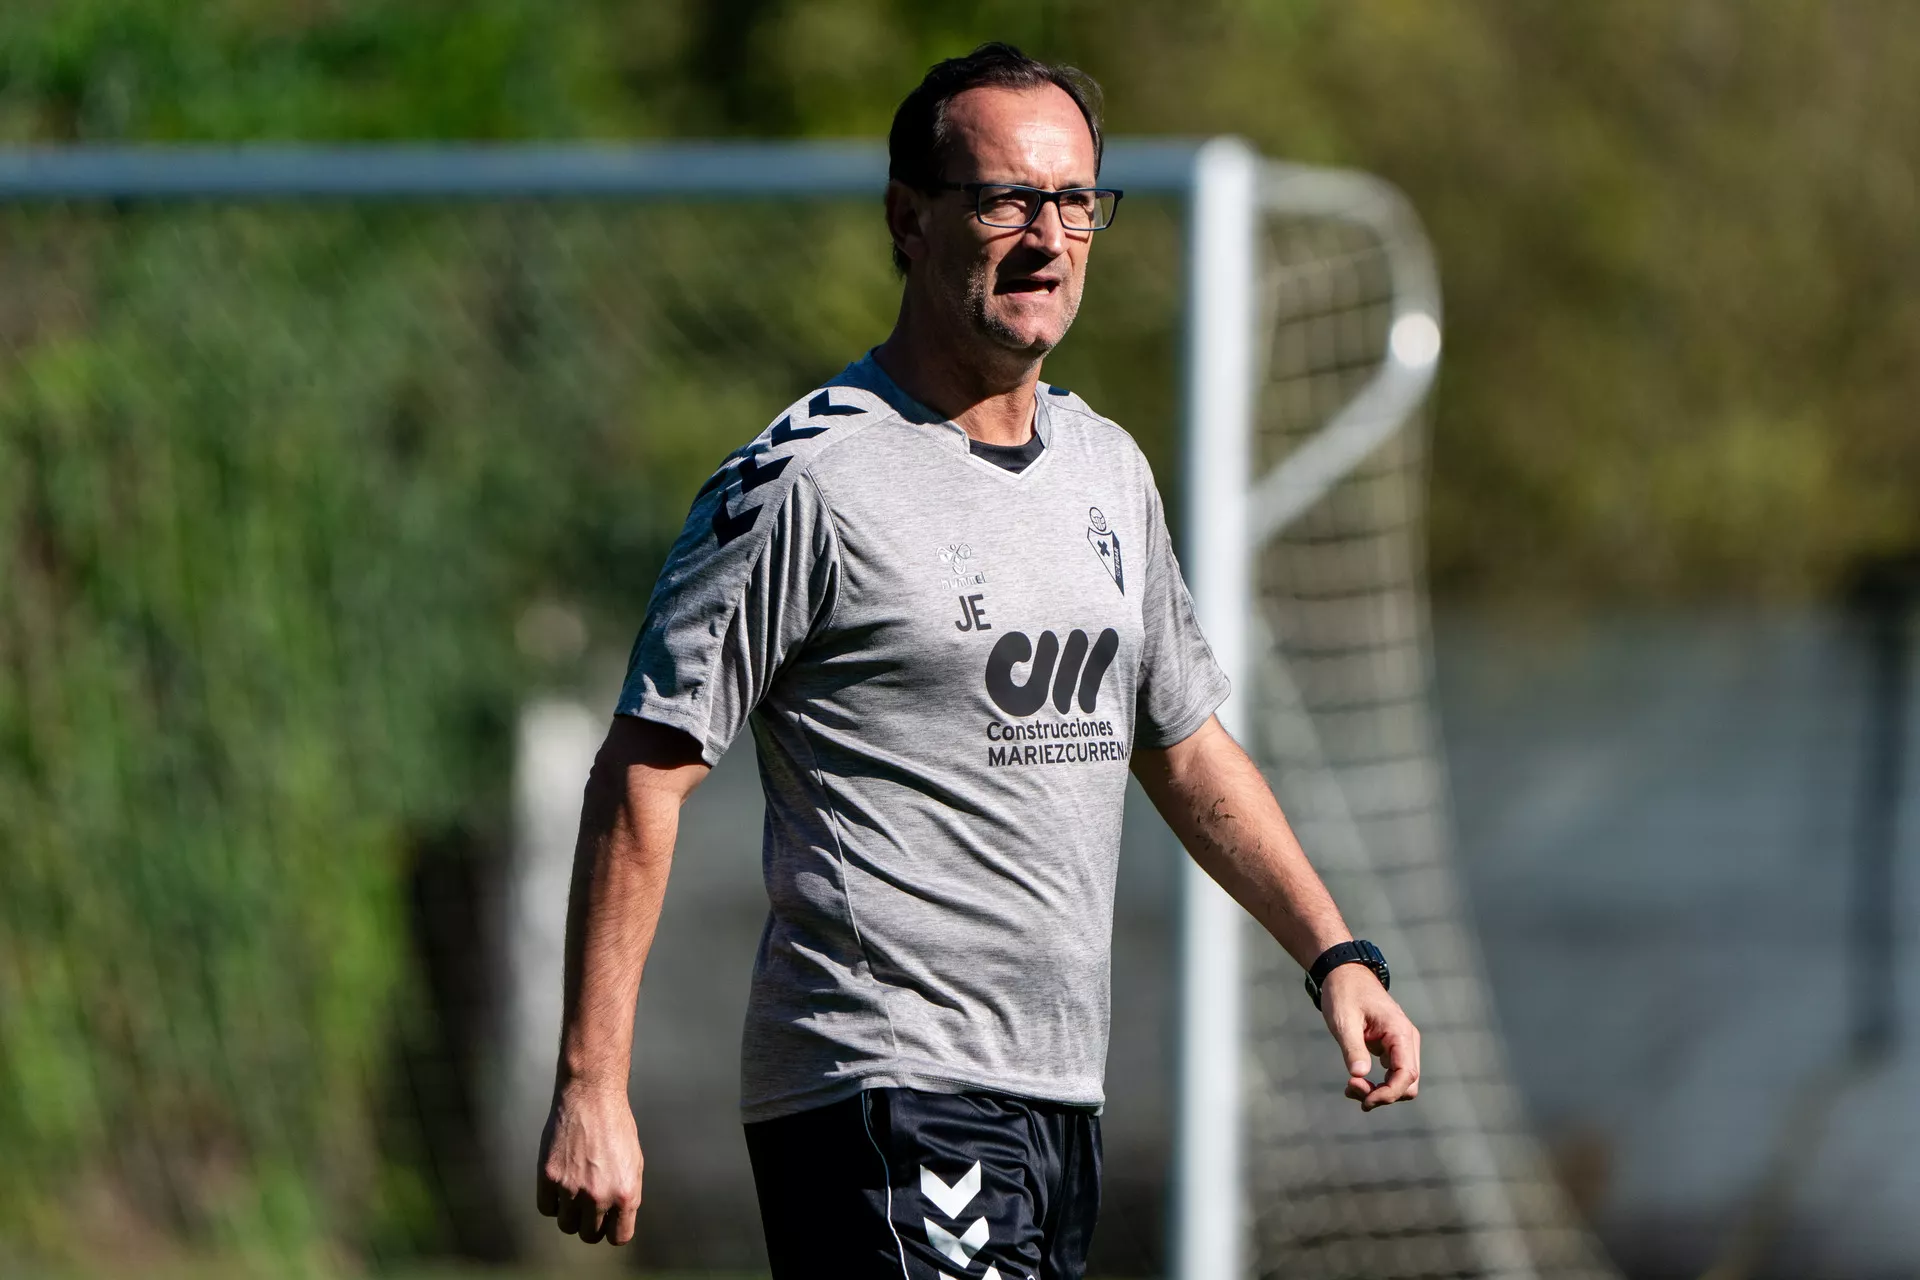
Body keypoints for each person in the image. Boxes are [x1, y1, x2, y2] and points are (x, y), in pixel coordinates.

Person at [535, 41, 1421, 1278]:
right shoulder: (807, 483)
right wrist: (591, 1082)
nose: (1046, 237)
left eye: (1073, 203)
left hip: (1055, 1095)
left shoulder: (1108, 468)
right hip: (882, 1086)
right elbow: (644, 769)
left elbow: (1184, 744)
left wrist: (1335, 952)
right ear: (909, 220)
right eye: (1003, 199)